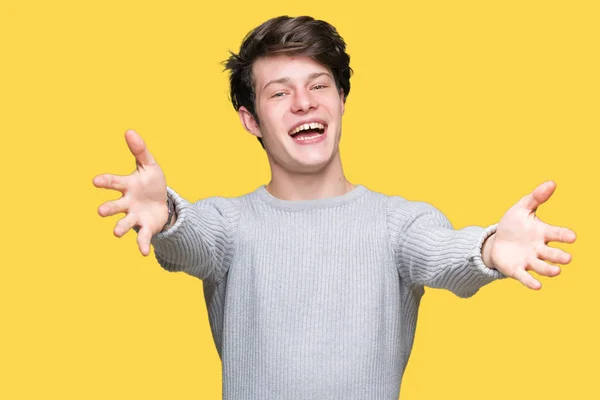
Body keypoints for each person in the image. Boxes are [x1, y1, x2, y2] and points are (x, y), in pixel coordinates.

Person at [93, 15, 576, 400]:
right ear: (251, 120)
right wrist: (169, 216)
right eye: (279, 92)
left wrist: (490, 247)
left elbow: (445, 255)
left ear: (342, 98)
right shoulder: (229, 225)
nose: (303, 102)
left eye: (319, 85)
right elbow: (192, 241)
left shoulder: (399, 224)